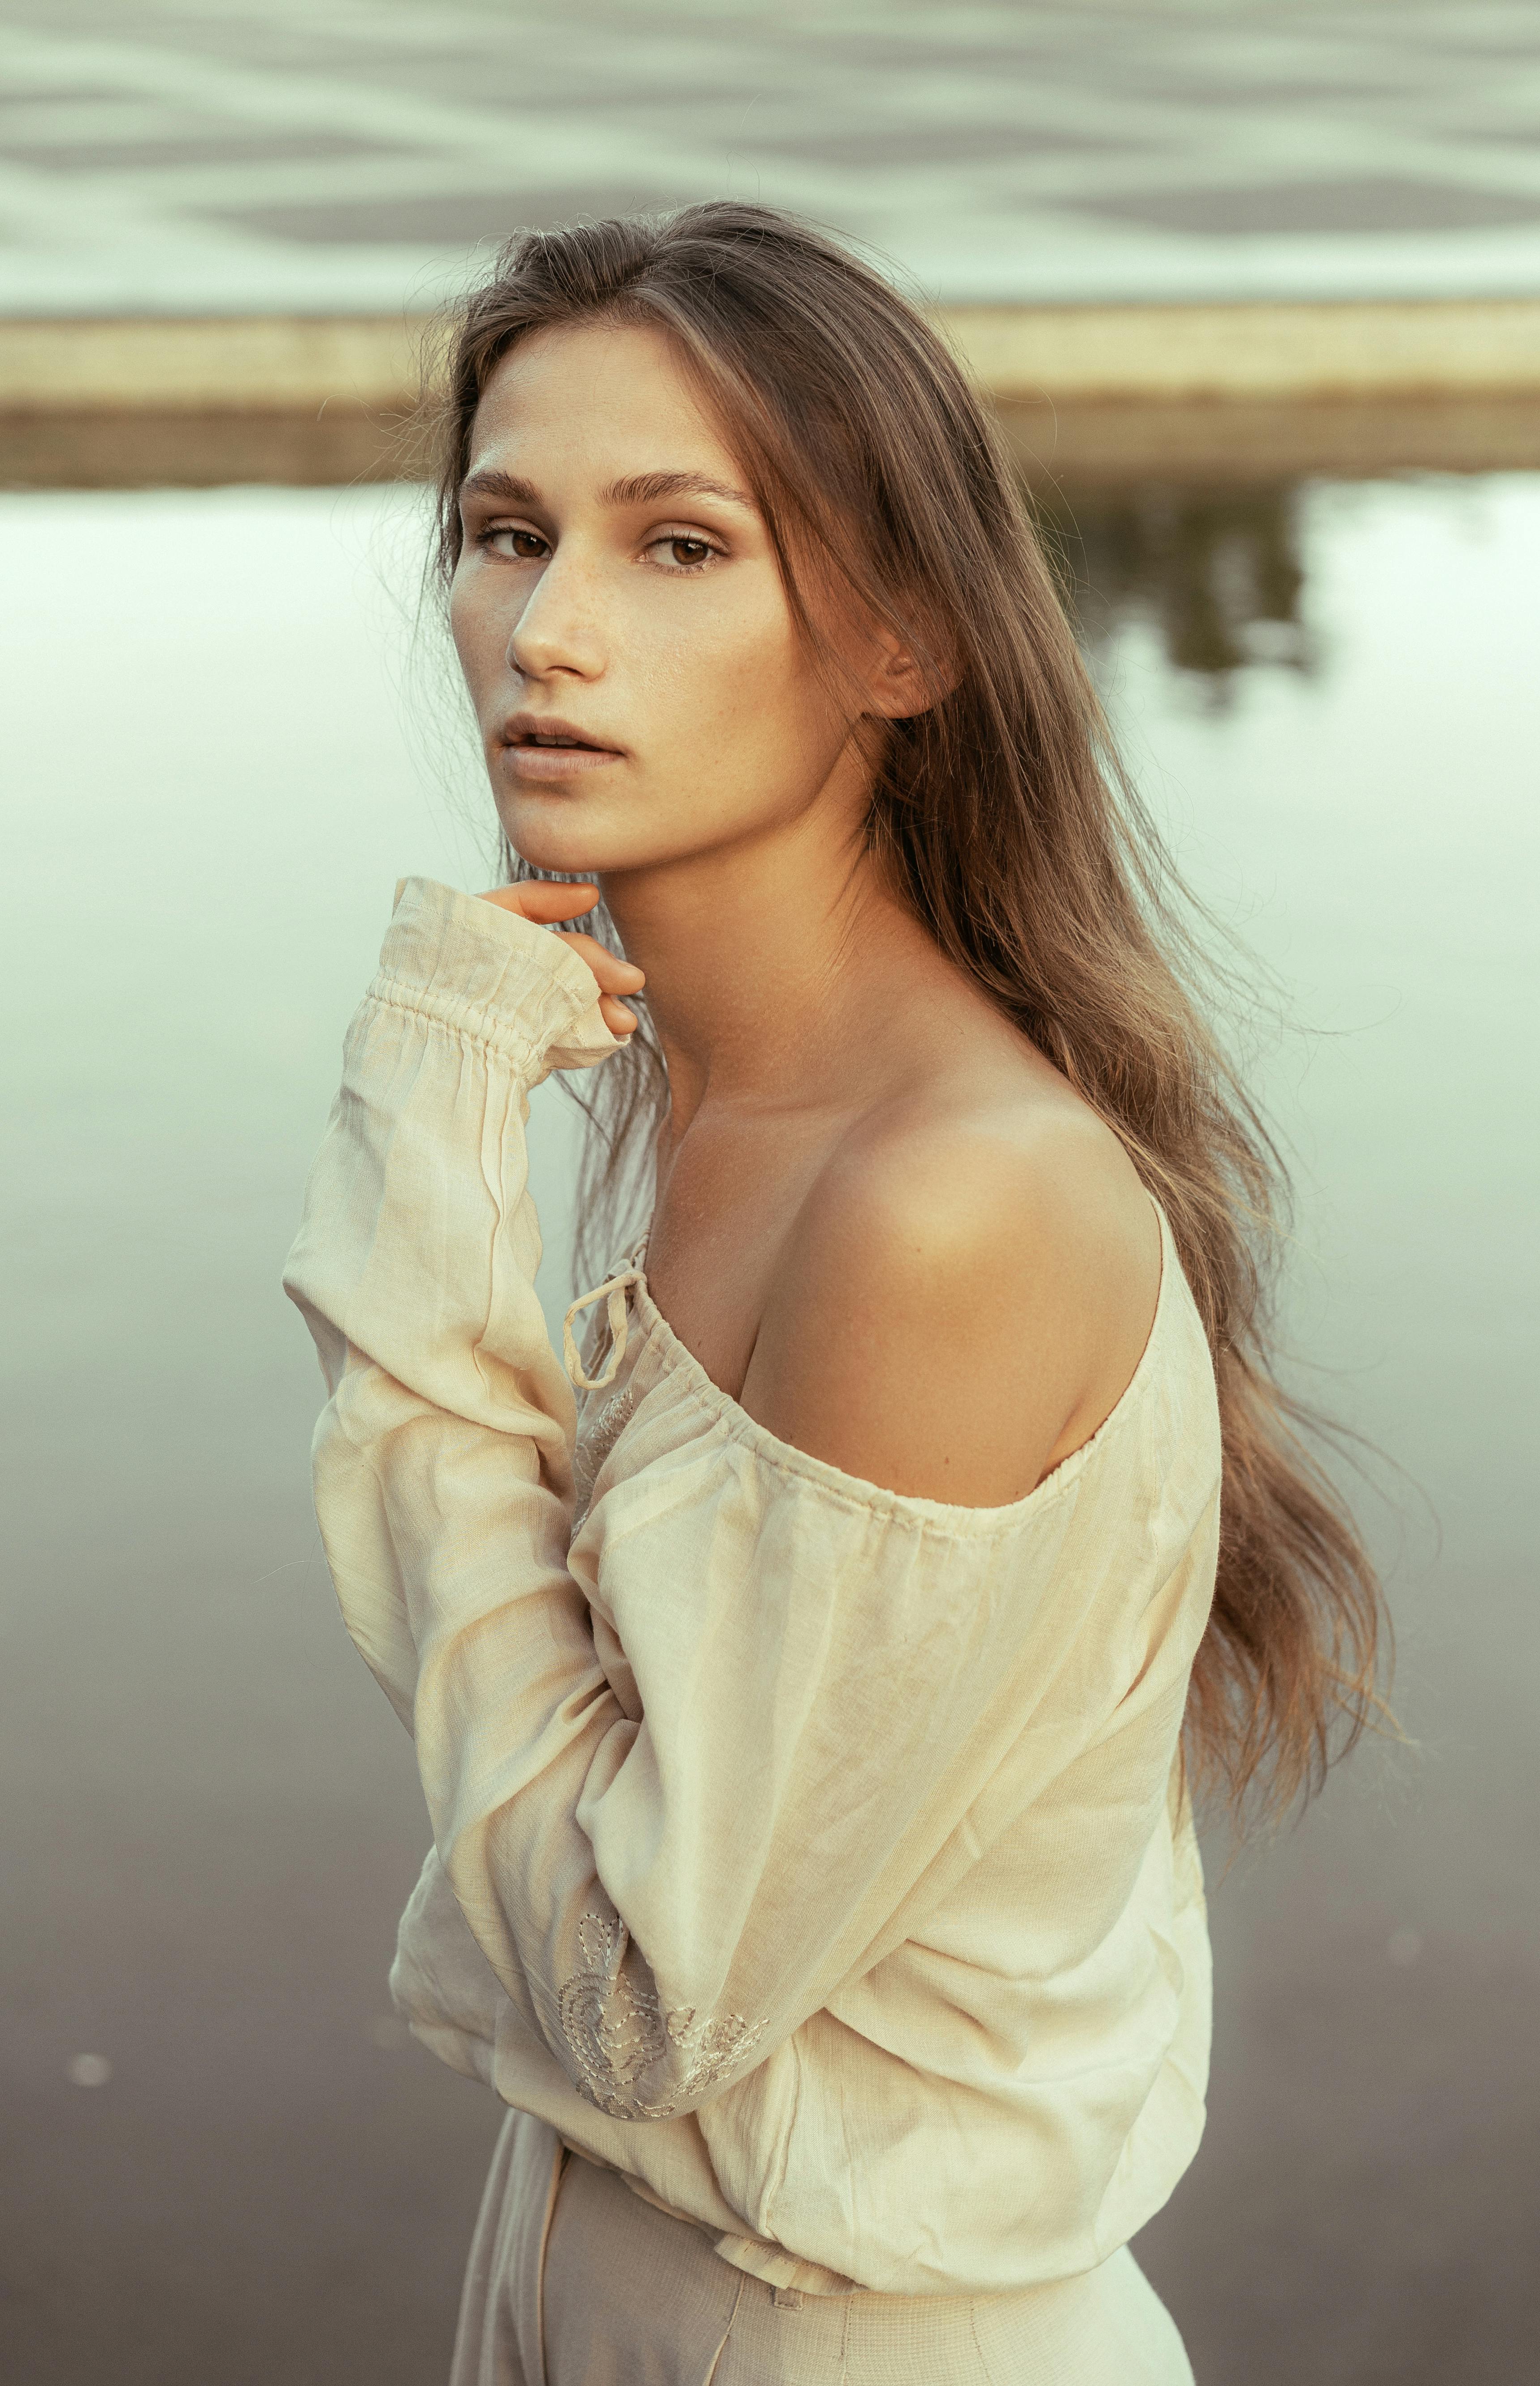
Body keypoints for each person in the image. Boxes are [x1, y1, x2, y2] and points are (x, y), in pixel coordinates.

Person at [283, 203, 1385, 2384]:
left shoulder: (944, 1201)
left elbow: (631, 1991)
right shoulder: (733, 1111)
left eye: (675, 545)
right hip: (606, 2265)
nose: (547, 631)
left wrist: (420, 1214)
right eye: (507, 533)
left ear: (897, 636)